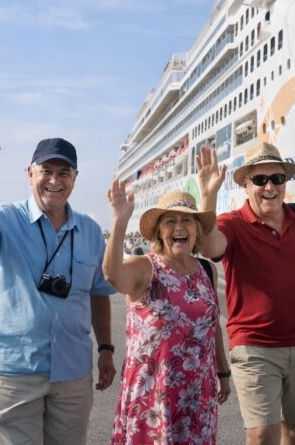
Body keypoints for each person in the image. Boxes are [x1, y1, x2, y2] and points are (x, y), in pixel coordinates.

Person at [0, 131, 116, 445]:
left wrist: (106, 348)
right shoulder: (4, 219)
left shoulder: (91, 232)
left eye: (64, 173)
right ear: (30, 174)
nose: (55, 180)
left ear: (75, 178)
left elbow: (98, 293)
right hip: (13, 371)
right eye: (46, 171)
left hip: (72, 372)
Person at [196, 142, 295, 445]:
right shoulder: (232, 224)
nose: (269, 187)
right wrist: (208, 194)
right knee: (260, 434)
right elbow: (208, 247)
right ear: (245, 184)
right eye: (260, 179)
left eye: (277, 179)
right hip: (255, 346)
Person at [104, 184, 231, 444]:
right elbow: (112, 275)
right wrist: (119, 222)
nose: (179, 227)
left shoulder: (206, 269)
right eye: (170, 221)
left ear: (197, 229)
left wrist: (223, 372)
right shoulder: (144, 267)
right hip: (153, 394)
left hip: (198, 393)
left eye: (187, 220)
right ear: (159, 232)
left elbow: (211, 325)